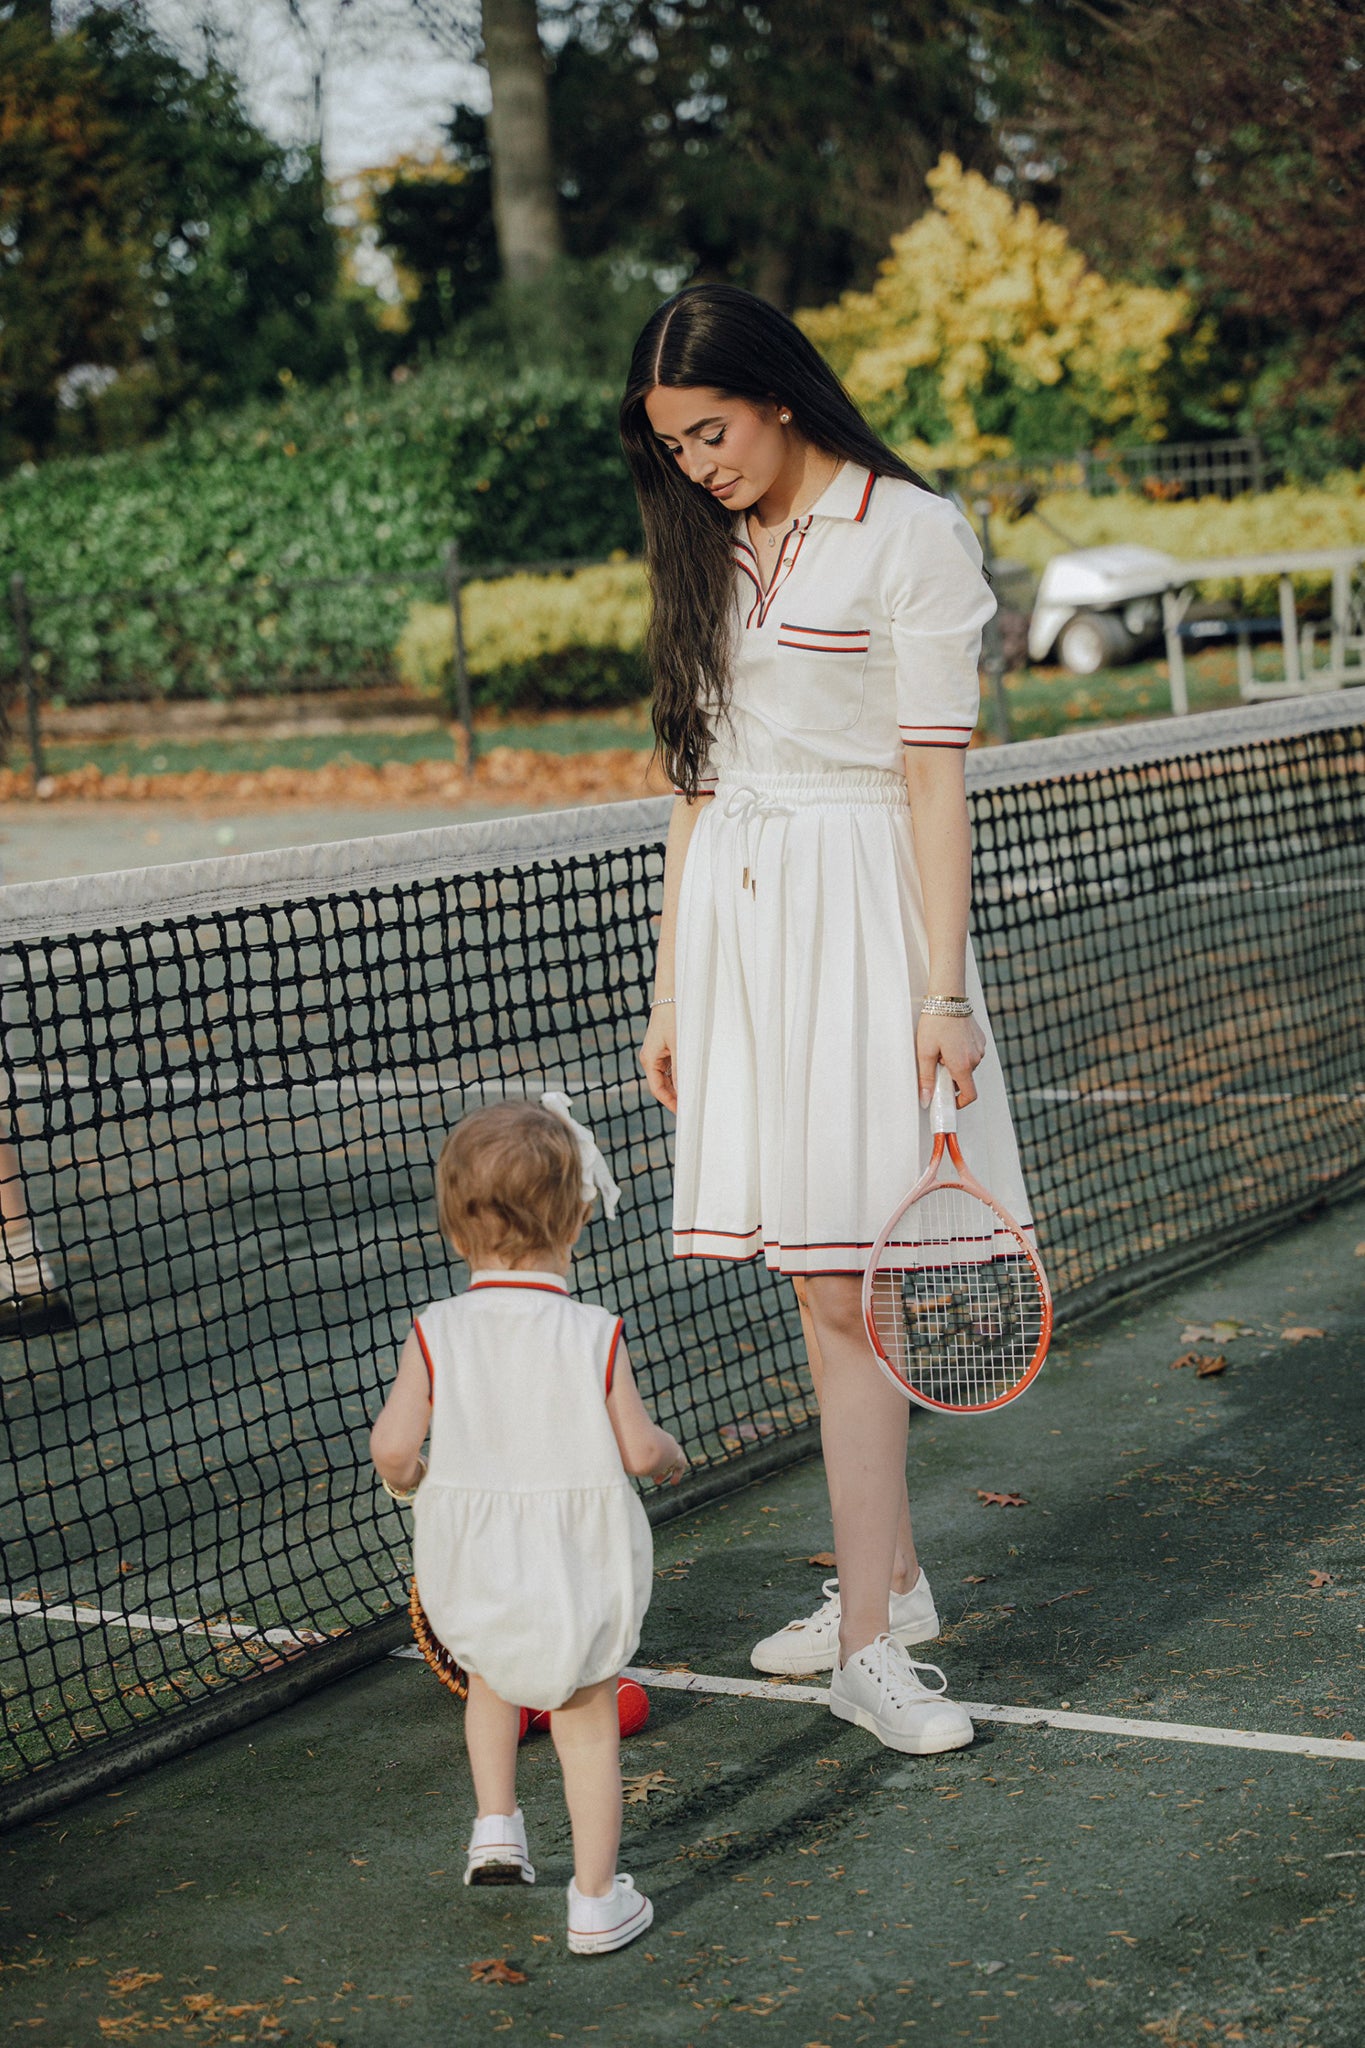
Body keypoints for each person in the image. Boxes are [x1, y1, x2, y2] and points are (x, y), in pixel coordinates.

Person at [620, 284, 1035, 1758]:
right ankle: (891, 1588)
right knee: (821, 1284)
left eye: (711, 431)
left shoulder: (911, 533)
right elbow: (696, 783)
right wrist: (672, 988)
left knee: (849, 1290)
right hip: (741, 930)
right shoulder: (707, 545)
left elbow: (932, 780)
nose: (698, 465)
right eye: (674, 447)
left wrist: (942, 990)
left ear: (777, 394)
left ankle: (870, 1644)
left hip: (864, 920)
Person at [369, 1095, 687, 1956]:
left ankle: (496, 1830)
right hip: (574, 1556)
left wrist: (416, 1484)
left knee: (490, 1677)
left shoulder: (435, 1330)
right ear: (577, 1219)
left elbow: (393, 1448)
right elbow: (638, 1449)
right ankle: (595, 1901)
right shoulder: (594, 1332)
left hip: (473, 1552)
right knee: (584, 1715)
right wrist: (671, 1454)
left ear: (453, 1229)